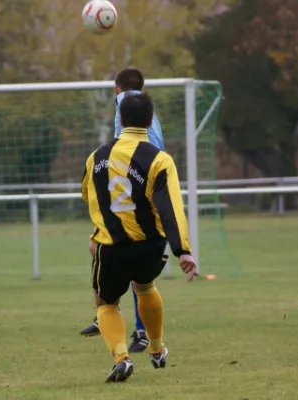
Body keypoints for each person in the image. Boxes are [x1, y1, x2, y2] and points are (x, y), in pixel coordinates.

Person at [81, 92, 197, 382]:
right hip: (150, 247)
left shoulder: (96, 156)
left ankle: (121, 357)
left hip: (111, 248)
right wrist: (182, 249)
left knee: (106, 302)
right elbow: (170, 207)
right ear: (149, 121)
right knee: (144, 287)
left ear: (120, 120)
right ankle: (156, 349)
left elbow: (87, 194)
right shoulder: (160, 159)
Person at [80, 67, 171, 354]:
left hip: (139, 189)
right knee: (99, 247)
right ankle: (109, 315)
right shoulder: (142, 109)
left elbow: (134, 153)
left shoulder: (126, 104)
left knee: (119, 254)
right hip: (141, 186)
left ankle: (134, 327)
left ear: (117, 89)